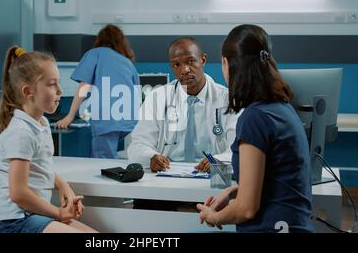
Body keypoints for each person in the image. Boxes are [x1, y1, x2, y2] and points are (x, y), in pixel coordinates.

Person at [197, 24, 313, 233]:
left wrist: (212, 215)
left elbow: (246, 209)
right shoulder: (282, 108)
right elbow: (276, 180)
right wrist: (234, 191)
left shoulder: (255, 118)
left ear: (227, 63)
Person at [0, 46, 97, 233]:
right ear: (27, 91)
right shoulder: (21, 132)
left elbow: (38, 167)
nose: (60, 90)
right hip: (13, 221)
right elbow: (18, 193)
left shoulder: (41, 123)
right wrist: (58, 213)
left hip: (30, 215)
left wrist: (63, 185)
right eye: (52, 84)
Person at [128, 37, 239, 210]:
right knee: (146, 208)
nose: (184, 70)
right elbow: (138, 144)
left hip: (211, 181)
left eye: (190, 61)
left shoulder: (227, 99)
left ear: (203, 60)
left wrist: (219, 160)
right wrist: (151, 157)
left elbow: (238, 149)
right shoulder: (157, 98)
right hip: (166, 181)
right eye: (176, 65)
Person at [56, 24, 140, 159]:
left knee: (103, 162)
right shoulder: (127, 63)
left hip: (107, 118)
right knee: (109, 157)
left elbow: (84, 86)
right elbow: (136, 93)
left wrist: (70, 116)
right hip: (128, 120)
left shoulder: (95, 54)